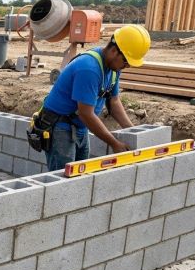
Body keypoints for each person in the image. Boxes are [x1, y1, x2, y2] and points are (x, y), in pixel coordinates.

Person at [32, 24, 151, 171]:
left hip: (80, 126)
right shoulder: (89, 69)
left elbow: (113, 102)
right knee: (62, 181)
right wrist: (114, 143)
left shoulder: (113, 68)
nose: (127, 66)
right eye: (126, 62)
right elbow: (86, 113)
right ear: (114, 51)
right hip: (60, 128)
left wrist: (132, 131)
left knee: (81, 175)